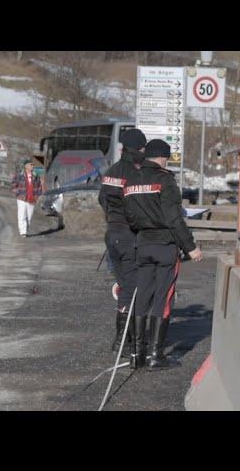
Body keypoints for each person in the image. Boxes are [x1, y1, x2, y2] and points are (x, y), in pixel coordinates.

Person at [123, 139, 202, 369]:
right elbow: (174, 219)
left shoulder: (130, 181)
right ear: (162, 158)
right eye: (166, 158)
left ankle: (137, 355)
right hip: (165, 245)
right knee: (162, 299)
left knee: (143, 296)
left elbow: (129, 217)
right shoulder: (165, 180)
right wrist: (190, 247)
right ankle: (155, 356)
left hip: (142, 245)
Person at [98, 128, 147, 355]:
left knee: (124, 283)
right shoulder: (135, 173)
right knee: (131, 287)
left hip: (112, 234)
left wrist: (112, 218)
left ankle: (125, 340)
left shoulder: (111, 171)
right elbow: (138, 206)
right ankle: (123, 342)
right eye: (143, 147)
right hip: (128, 235)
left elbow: (102, 200)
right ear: (138, 148)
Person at [12, 159, 43, 237]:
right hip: (22, 198)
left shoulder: (36, 176)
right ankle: (23, 232)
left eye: (32, 165)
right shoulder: (19, 175)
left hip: (32, 199)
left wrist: (37, 196)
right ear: (26, 166)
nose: (32, 166)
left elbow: (39, 187)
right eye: (30, 165)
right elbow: (13, 185)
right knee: (22, 215)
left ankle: (25, 230)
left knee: (29, 216)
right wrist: (18, 193)